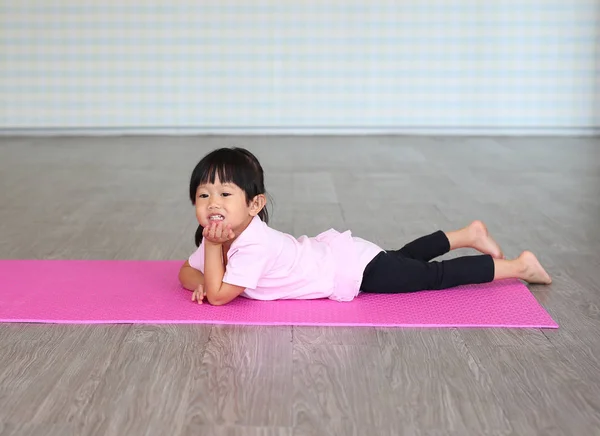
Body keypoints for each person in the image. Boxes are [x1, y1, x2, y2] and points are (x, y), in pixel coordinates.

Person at [178, 147, 552, 306]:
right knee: (401, 259)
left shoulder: (247, 243)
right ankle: (467, 235)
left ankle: (518, 266)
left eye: (225, 194)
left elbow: (220, 297)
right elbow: (186, 273)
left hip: (350, 271)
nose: (213, 204)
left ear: (255, 205)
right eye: (203, 195)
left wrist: (211, 261)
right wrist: (200, 284)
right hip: (347, 257)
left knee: (429, 277)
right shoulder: (222, 233)